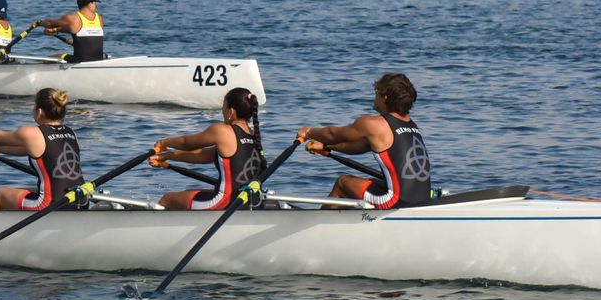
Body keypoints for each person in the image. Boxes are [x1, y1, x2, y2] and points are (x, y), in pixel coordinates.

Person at [298, 72, 431, 209]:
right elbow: (359, 146)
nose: (374, 96)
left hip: (395, 202)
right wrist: (327, 147)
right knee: (370, 182)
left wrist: (309, 132)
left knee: (342, 183)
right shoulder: (410, 125)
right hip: (422, 198)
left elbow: (332, 134)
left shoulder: (373, 124)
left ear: (385, 97)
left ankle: (322, 225)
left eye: (376, 92)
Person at [0, 88, 88, 211]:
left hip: (50, 204)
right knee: (25, 190)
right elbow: (30, 150)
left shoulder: (32, 133)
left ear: (40, 111)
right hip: (79, 199)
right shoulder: (71, 133)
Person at [150, 87, 265, 210]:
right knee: (190, 193)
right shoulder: (254, 135)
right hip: (250, 200)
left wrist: (164, 142)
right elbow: (203, 156)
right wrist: (167, 156)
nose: (222, 111)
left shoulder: (222, 131)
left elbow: (187, 143)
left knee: (168, 199)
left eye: (223, 107)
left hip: (225, 202)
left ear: (231, 111)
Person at [33, 0, 104, 63]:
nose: (96, 5)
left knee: (48, 59)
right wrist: (55, 30)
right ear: (90, 3)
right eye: (95, 3)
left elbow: (50, 23)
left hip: (79, 61)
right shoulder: (99, 19)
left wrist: (39, 23)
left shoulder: (73, 18)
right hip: (99, 60)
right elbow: (80, 29)